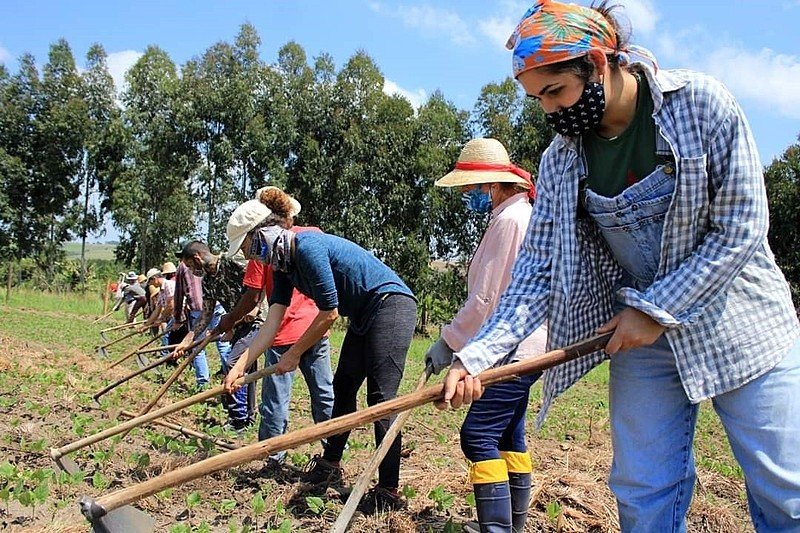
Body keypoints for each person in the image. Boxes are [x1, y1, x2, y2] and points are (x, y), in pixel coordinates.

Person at [440, 2, 800, 532]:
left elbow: (741, 226)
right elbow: (538, 270)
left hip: (740, 325)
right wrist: (478, 357)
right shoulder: (563, 160)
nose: (547, 110)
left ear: (596, 60)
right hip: (640, 338)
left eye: (555, 91)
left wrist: (659, 308)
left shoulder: (699, 105)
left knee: (785, 489)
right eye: (536, 98)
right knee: (642, 490)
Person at [224, 187, 417, 514]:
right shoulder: (283, 267)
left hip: (390, 306)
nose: (252, 257)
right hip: (362, 315)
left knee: (381, 398)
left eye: (250, 247)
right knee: (343, 390)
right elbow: (271, 325)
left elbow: (328, 314)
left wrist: (295, 353)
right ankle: (330, 465)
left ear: (266, 233)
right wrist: (240, 365)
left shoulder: (308, 247)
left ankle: (388, 490)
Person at [425, 138, 548, 533]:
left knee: (477, 434)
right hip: (524, 348)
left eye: (469, 189)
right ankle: (513, 525)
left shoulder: (511, 222)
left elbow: (486, 299)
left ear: (492, 186)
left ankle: (497, 529)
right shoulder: (511, 216)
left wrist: (450, 342)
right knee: (509, 435)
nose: (466, 196)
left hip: (517, 350)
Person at [224, 187, 334, 460]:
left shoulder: (264, 248)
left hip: (283, 333)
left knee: (275, 403)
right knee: (324, 395)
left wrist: (229, 321)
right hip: (315, 329)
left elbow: (252, 296)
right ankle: (334, 454)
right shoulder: (312, 235)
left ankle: (272, 458)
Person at [173, 240, 257, 430]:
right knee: (246, 369)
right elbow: (205, 315)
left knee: (233, 364)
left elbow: (261, 282)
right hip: (237, 325)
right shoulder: (208, 281)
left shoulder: (232, 261)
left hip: (258, 320)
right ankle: (249, 417)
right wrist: (187, 342)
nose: (192, 271)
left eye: (190, 265)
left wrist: (257, 307)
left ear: (197, 258)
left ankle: (238, 421)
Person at [173, 255, 211, 389]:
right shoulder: (208, 261)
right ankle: (228, 376)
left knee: (197, 347)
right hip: (216, 306)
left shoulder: (182, 267)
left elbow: (178, 294)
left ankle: (203, 384)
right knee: (223, 344)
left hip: (198, 308)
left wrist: (177, 319)